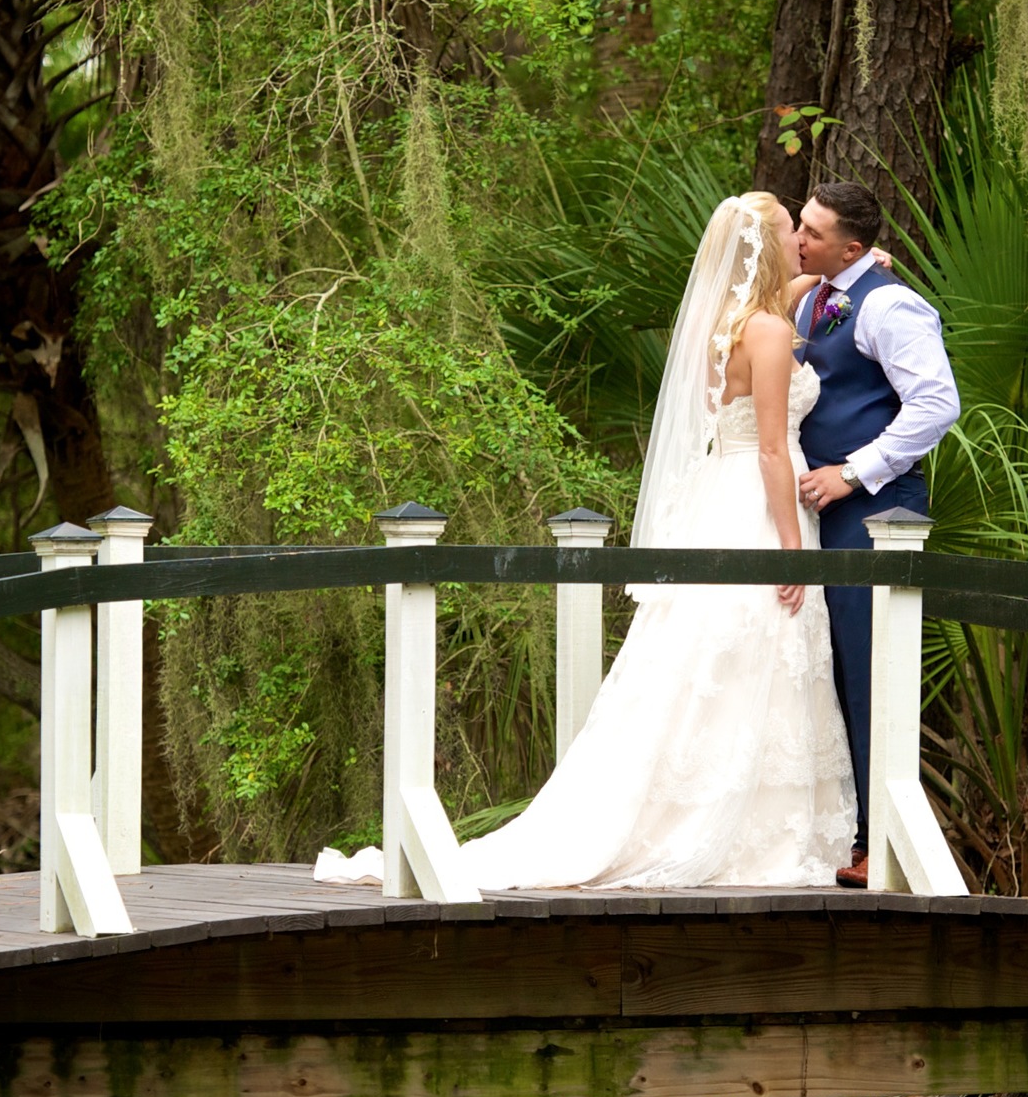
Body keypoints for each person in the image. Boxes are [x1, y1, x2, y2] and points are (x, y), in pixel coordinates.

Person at [315, 192, 855, 889]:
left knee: (703, 661)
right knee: (760, 651)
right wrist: (788, 547)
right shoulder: (773, 334)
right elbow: (775, 451)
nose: (800, 245)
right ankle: (743, 829)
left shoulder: (722, 324)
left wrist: (843, 271)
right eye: (790, 234)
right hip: (757, 507)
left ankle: (693, 805)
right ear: (764, 248)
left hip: (713, 504)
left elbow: (783, 298)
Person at [789, 180, 961, 887]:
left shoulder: (889, 304)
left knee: (868, 670)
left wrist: (853, 474)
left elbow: (937, 403)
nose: (800, 240)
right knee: (820, 667)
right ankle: (831, 828)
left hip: (875, 512)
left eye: (813, 232)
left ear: (851, 247)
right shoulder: (817, 293)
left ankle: (878, 843)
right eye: (799, 226)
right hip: (812, 506)